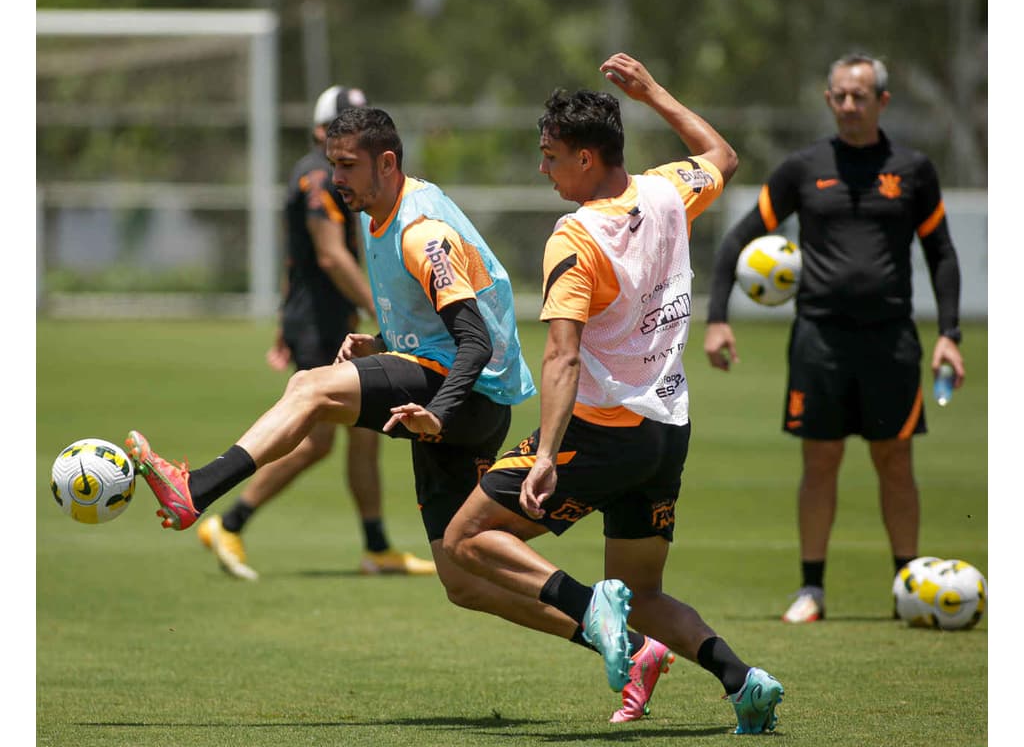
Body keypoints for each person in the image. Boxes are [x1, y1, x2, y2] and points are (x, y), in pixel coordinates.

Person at [125, 104, 667, 722]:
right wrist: (383, 345)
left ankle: (194, 490)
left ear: (387, 163)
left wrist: (438, 411)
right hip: (455, 393)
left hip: (467, 394)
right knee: (462, 578)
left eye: (348, 166)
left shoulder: (420, 230)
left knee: (309, 388)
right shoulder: (378, 209)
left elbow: (476, 340)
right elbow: (436, 324)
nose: (337, 179)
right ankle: (625, 642)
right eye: (332, 165)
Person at [423, 53, 783, 734]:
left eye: (550, 156)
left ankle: (589, 609)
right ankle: (745, 681)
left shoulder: (576, 239)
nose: (543, 168)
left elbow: (561, 357)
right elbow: (723, 155)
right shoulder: (668, 191)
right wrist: (652, 93)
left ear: (587, 160)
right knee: (643, 592)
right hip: (665, 431)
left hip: (600, 428)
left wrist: (545, 454)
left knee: (465, 539)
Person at [702, 53, 964, 624]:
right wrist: (718, 317)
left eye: (860, 96)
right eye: (840, 95)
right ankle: (812, 590)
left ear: (882, 102)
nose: (849, 105)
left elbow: (941, 254)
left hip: (891, 340)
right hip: (818, 340)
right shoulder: (803, 169)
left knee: (895, 460)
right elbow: (738, 240)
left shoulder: (912, 169)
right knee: (820, 460)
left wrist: (949, 334)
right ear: (828, 99)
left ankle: (908, 586)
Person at [197, 85, 435, 580]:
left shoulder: (329, 172)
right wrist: (385, 313)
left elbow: (298, 257)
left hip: (326, 318)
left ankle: (376, 546)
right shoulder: (318, 176)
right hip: (323, 321)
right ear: (321, 131)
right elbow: (329, 254)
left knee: (365, 433)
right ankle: (231, 520)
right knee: (319, 437)